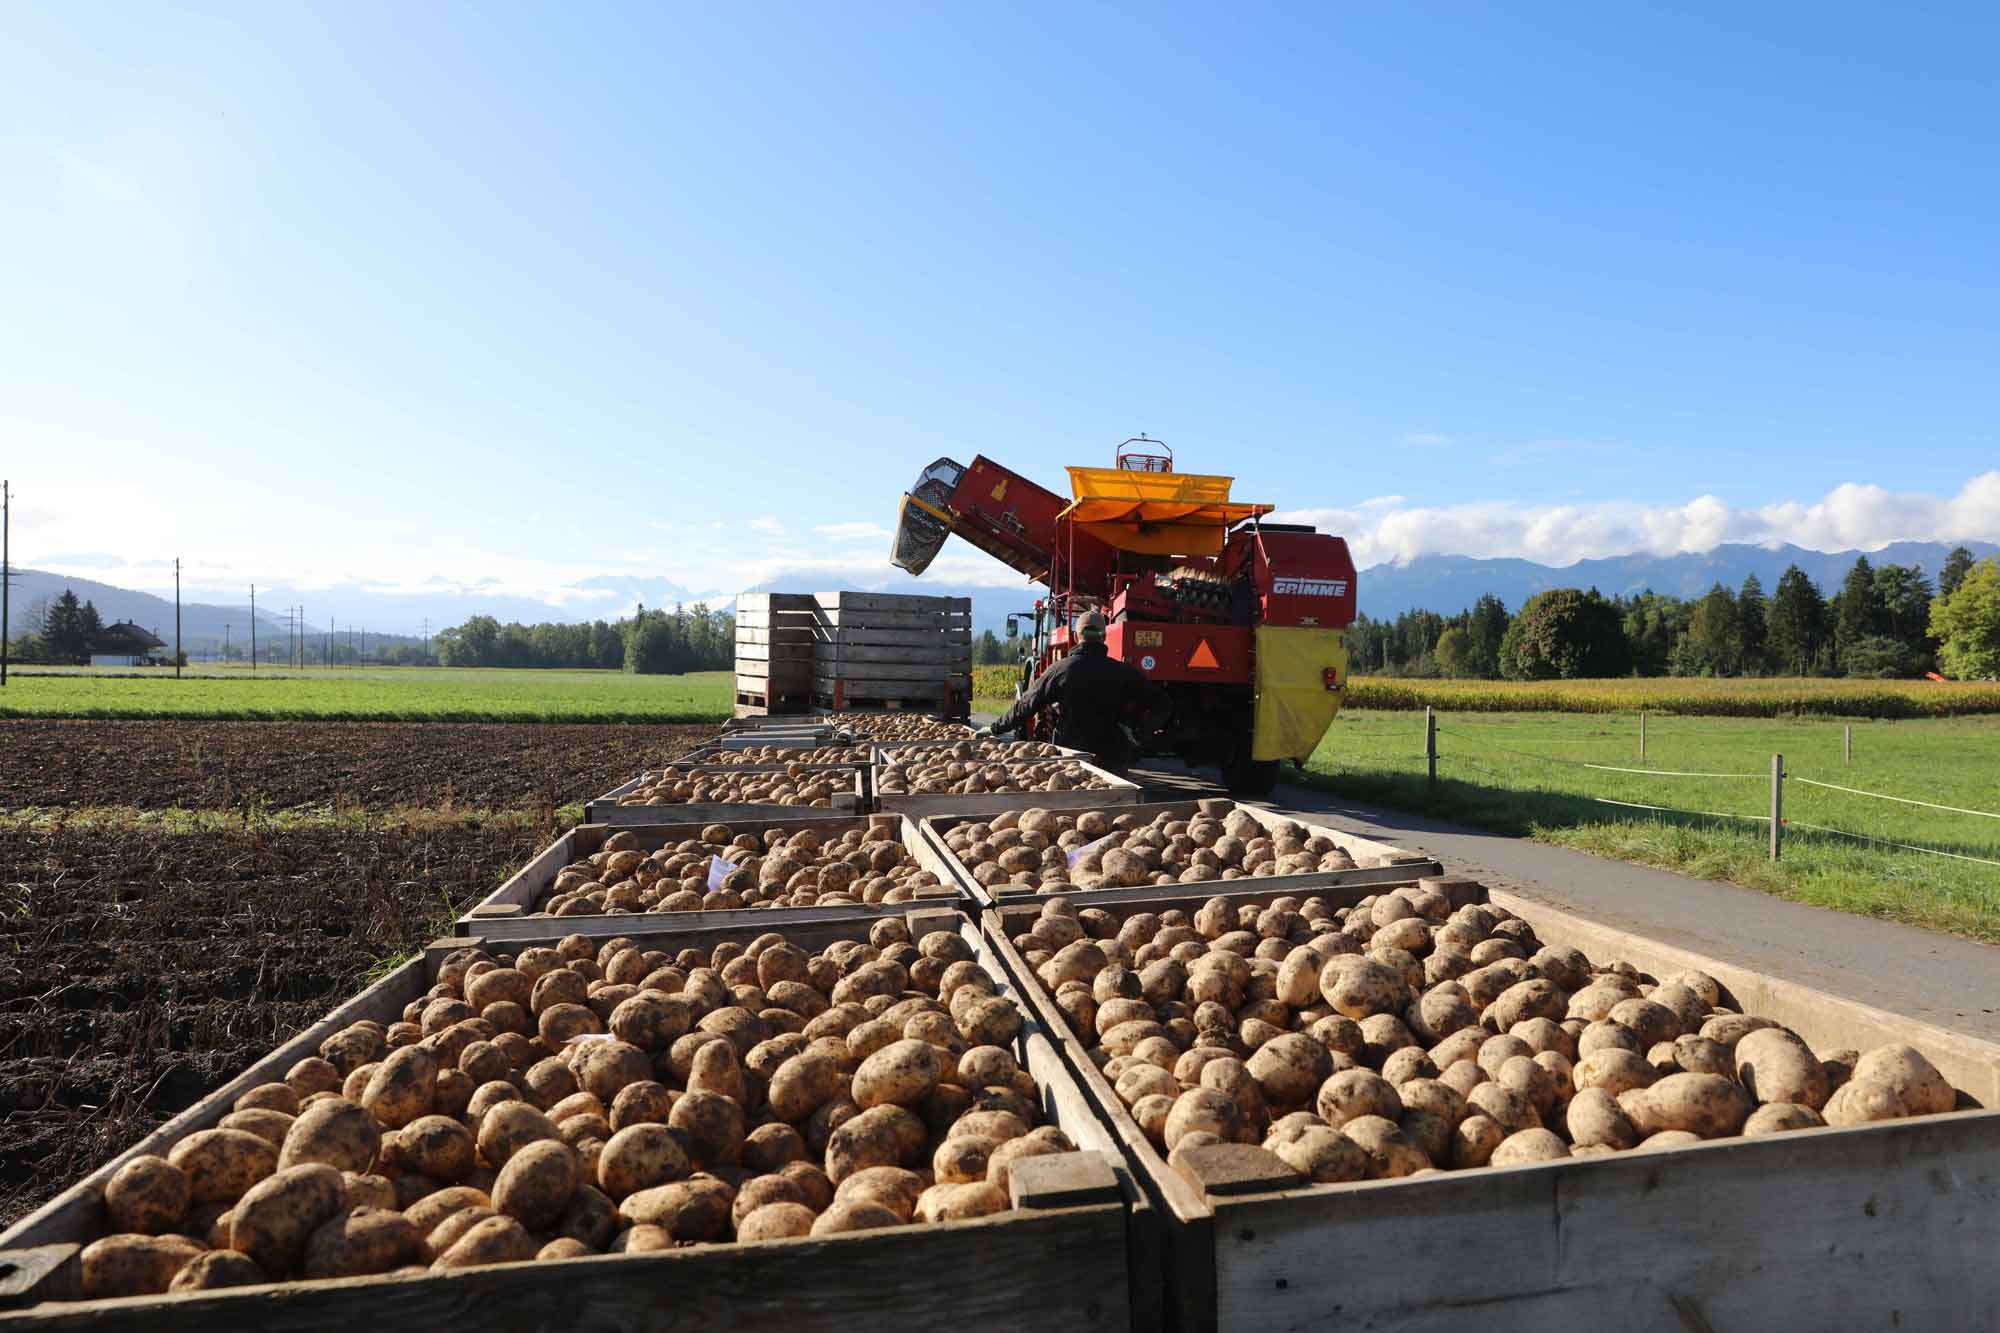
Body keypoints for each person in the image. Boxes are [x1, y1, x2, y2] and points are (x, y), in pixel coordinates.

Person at [982, 610, 1165, 770]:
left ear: (1077, 637)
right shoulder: (1125, 672)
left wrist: (994, 728)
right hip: (1113, 756)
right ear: (1104, 637)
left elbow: (1026, 705)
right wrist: (1140, 733)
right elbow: (1162, 703)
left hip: (1072, 757)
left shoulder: (1059, 670)